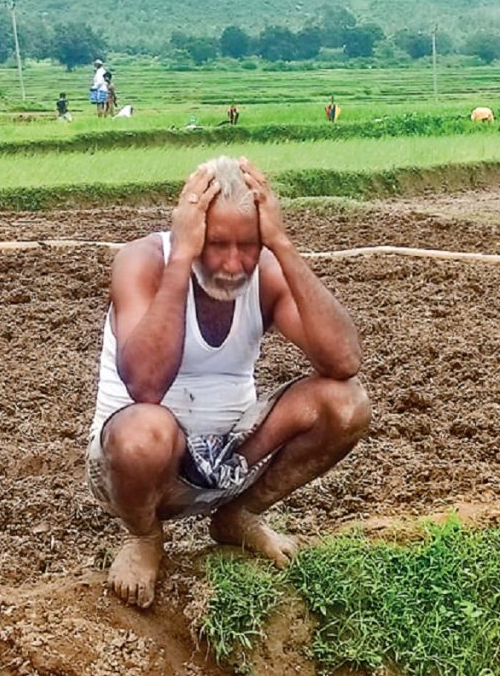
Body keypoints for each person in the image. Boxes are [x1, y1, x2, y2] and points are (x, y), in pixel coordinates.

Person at [85, 156, 371, 608]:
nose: (234, 264)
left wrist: (281, 244)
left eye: (249, 245)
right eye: (216, 244)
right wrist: (181, 257)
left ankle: (239, 515)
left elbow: (344, 359)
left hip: (231, 461)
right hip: (139, 467)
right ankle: (143, 537)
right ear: (191, 230)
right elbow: (145, 386)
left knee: (346, 402)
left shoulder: (265, 272)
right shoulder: (142, 261)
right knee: (145, 430)